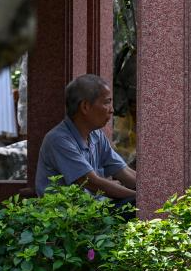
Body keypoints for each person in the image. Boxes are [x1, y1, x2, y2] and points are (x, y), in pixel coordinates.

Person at [35, 74, 136, 213]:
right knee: (137, 205)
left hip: (95, 211)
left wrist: (154, 192)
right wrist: (141, 198)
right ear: (85, 106)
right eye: (107, 102)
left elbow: (124, 172)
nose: (112, 110)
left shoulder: (96, 135)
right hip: (69, 218)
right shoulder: (58, 140)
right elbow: (92, 182)